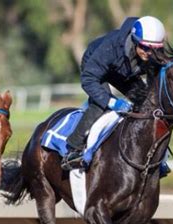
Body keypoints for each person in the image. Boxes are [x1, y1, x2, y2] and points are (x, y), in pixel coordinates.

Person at [61, 16, 166, 171]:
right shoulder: (111, 47)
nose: (149, 53)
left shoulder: (153, 52)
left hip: (123, 71)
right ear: (135, 40)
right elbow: (88, 79)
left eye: (154, 49)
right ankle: (73, 150)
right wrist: (112, 102)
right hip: (95, 67)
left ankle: (152, 156)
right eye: (145, 48)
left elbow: (155, 80)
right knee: (100, 105)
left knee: (147, 103)